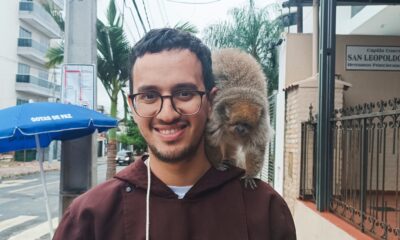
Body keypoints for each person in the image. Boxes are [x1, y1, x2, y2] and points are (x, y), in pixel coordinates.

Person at [53, 28, 296, 240]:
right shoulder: (90, 217)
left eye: (184, 93)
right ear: (132, 106)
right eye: (149, 96)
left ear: (211, 101)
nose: (167, 114)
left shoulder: (265, 211)